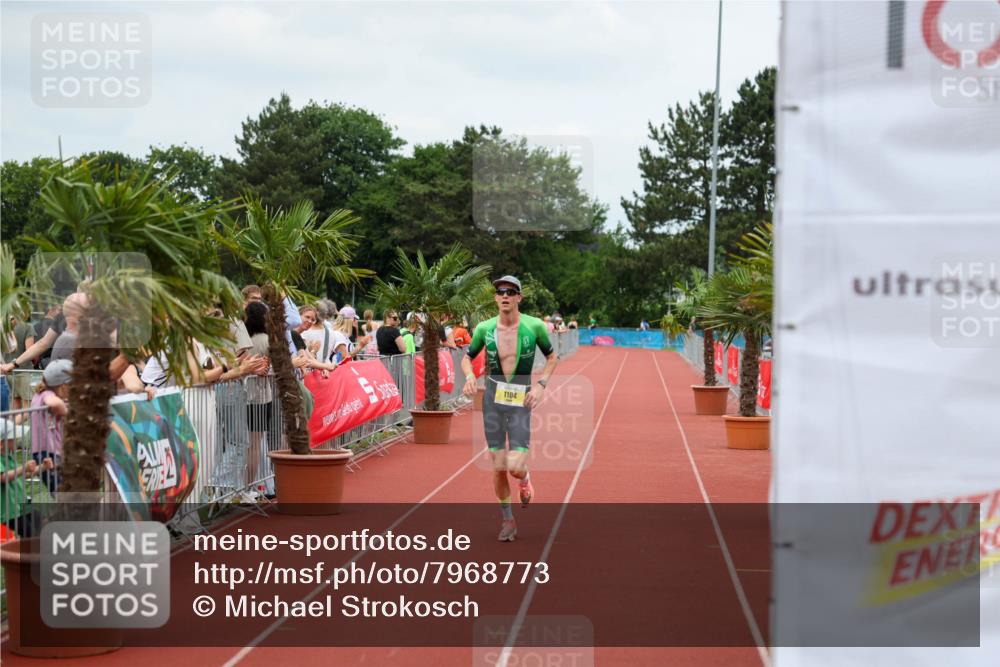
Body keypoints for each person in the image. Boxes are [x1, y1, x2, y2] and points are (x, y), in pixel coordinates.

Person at [461, 275, 557, 543]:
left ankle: (524, 479)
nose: (504, 295)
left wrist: (540, 385)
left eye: (510, 292)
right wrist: (470, 377)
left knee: (514, 466)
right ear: (495, 297)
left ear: (519, 298)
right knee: (497, 465)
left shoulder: (534, 326)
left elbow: (551, 358)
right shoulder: (484, 328)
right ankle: (507, 520)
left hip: (520, 399)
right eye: (500, 291)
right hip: (493, 398)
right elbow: (467, 359)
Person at [2, 417, 51, 538]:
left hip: (21, 505)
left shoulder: (9, 456)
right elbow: (3, 477)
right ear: (1, 443)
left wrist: (43, 467)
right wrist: (23, 468)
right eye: (13, 438)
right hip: (9, 512)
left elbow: (23, 474)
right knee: (31, 535)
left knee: (44, 523)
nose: (17, 439)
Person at [30, 359, 72, 495]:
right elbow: (54, 403)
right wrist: (67, 413)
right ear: (62, 386)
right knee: (63, 494)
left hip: (51, 452)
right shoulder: (47, 395)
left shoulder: (38, 395)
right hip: (47, 454)